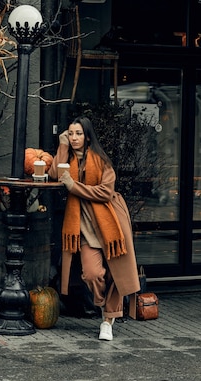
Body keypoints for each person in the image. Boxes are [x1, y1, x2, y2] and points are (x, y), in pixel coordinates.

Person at [48, 116, 140, 341]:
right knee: (92, 274)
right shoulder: (67, 158)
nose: (74, 137)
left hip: (111, 223)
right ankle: (104, 306)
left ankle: (108, 321)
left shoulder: (101, 160)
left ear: (87, 136)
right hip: (86, 230)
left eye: (78, 133)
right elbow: (53, 175)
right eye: (70, 133)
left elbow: (105, 193)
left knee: (117, 272)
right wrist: (61, 145)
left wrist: (74, 186)